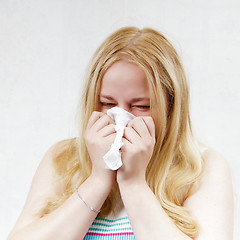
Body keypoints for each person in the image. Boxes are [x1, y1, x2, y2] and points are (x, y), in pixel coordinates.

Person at [7, 27, 233, 240]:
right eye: (107, 103)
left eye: (142, 106)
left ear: (171, 107)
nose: (120, 119)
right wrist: (98, 180)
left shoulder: (202, 168)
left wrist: (134, 183)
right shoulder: (64, 159)